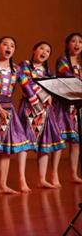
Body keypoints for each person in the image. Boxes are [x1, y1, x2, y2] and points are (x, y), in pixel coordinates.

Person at [0, 37, 43, 196]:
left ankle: (2, 185)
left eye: (12, 45)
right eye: (5, 44)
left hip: (9, 110)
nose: (9, 47)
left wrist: (38, 106)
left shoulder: (16, 68)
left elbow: (27, 86)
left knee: (6, 150)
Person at [19, 41, 65, 188]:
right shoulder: (24, 65)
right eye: (41, 49)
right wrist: (44, 96)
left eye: (48, 51)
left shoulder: (48, 72)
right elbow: (27, 83)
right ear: (34, 50)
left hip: (46, 110)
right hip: (29, 108)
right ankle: (22, 180)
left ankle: (42, 179)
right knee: (25, 144)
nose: (44, 52)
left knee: (45, 143)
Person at [55, 32, 82, 183]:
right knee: (60, 141)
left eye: (80, 42)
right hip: (65, 105)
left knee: (76, 142)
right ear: (67, 44)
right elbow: (69, 77)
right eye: (73, 41)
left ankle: (74, 174)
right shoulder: (62, 60)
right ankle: (54, 175)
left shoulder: (80, 63)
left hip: (79, 105)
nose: (77, 44)